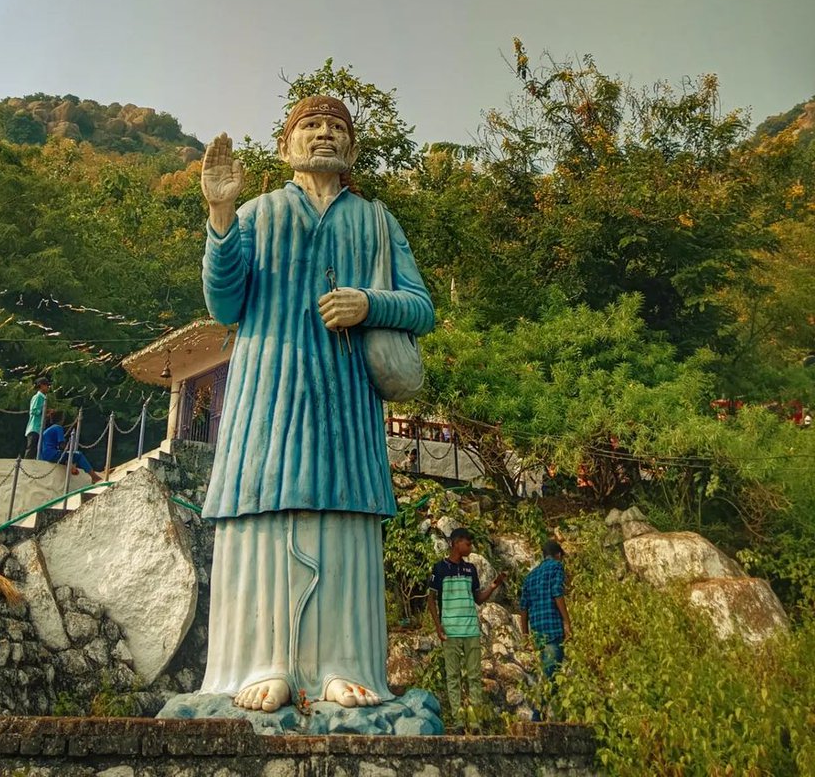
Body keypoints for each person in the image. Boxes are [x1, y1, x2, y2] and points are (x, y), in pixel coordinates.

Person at [198, 96, 435, 713]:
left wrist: (369, 303)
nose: (325, 135)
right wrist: (221, 217)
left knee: (343, 520)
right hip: (265, 393)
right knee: (262, 517)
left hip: (345, 399)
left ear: (351, 150)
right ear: (286, 146)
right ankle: (259, 661)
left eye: (337, 129)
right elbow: (225, 305)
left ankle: (343, 664)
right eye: (311, 126)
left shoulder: (377, 220)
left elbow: (421, 306)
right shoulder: (256, 214)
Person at [427, 528, 506, 730]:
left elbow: (478, 598)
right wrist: (438, 627)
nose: (470, 547)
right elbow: (431, 599)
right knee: (453, 677)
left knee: (474, 676)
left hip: (471, 629)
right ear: (455, 543)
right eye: (467, 543)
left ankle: (476, 720)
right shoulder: (439, 568)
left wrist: (494, 585)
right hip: (450, 630)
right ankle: (458, 720)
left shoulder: (471, 569)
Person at [519, 539, 571, 715]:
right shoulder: (556, 567)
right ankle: (537, 716)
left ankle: (546, 715)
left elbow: (523, 608)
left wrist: (526, 636)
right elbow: (557, 592)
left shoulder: (530, 576)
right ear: (558, 555)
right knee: (551, 676)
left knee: (548, 673)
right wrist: (566, 622)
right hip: (553, 630)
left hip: (538, 633)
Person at [39, 411, 102, 481]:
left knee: (66, 455)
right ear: (62, 419)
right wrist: (69, 448)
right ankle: (94, 477)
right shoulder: (58, 427)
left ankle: (71, 467)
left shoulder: (46, 430)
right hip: (52, 455)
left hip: (44, 456)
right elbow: (61, 445)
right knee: (78, 455)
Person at [24, 376, 51, 458]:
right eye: (46, 385)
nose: (48, 387)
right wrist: (45, 411)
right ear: (42, 386)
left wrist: (47, 413)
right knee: (31, 448)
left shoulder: (43, 398)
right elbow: (34, 410)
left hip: (39, 428)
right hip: (34, 427)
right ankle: (26, 464)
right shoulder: (38, 397)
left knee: (37, 449)